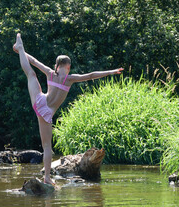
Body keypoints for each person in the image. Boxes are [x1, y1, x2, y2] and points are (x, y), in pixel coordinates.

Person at [13, 33, 123, 185]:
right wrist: (110, 72)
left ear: (56, 66)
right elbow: (91, 75)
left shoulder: (51, 73)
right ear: (68, 67)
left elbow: (34, 61)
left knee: (31, 74)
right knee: (46, 146)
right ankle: (46, 177)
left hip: (39, 101)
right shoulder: (70, 79)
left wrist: (21, 52)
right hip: (46, 113)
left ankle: (20, 46)